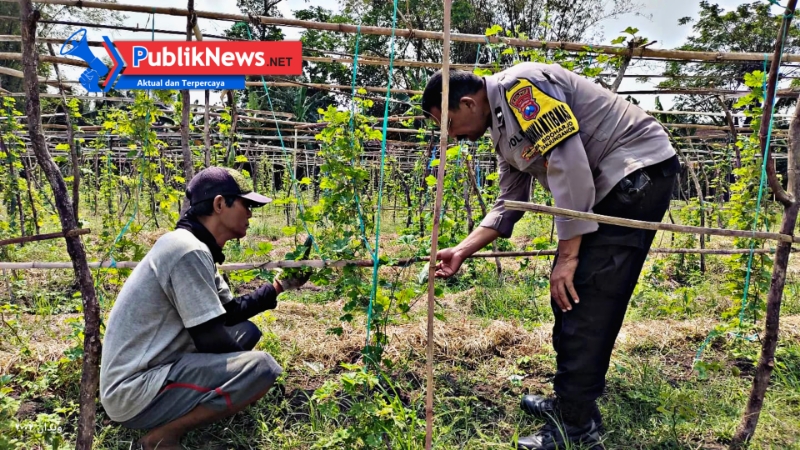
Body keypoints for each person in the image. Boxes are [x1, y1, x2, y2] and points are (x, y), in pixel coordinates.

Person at [422, 63, 679, 450]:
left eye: (449, 125)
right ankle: (571, 403)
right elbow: (509, 202)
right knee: (569, 297)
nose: (451, 136)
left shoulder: (521, 89)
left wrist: (568, 255)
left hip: (635, 173)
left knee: (587, 294)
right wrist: (461, 250)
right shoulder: (501, 129)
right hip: (611, 184)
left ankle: (577, 427)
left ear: (467, 103)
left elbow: (568, 162)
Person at [99, 167, 312, 450]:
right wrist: (248, 381)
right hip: (134, 392)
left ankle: (206, 398)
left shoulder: (193, 246)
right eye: (246, 205)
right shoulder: (188, 251)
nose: (251, 214)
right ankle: (161, 438)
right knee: (261, 368)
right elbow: (209, 337)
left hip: (149, 370)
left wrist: (280, 286)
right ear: (220, 204)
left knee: (244, 332)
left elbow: (231, 312)